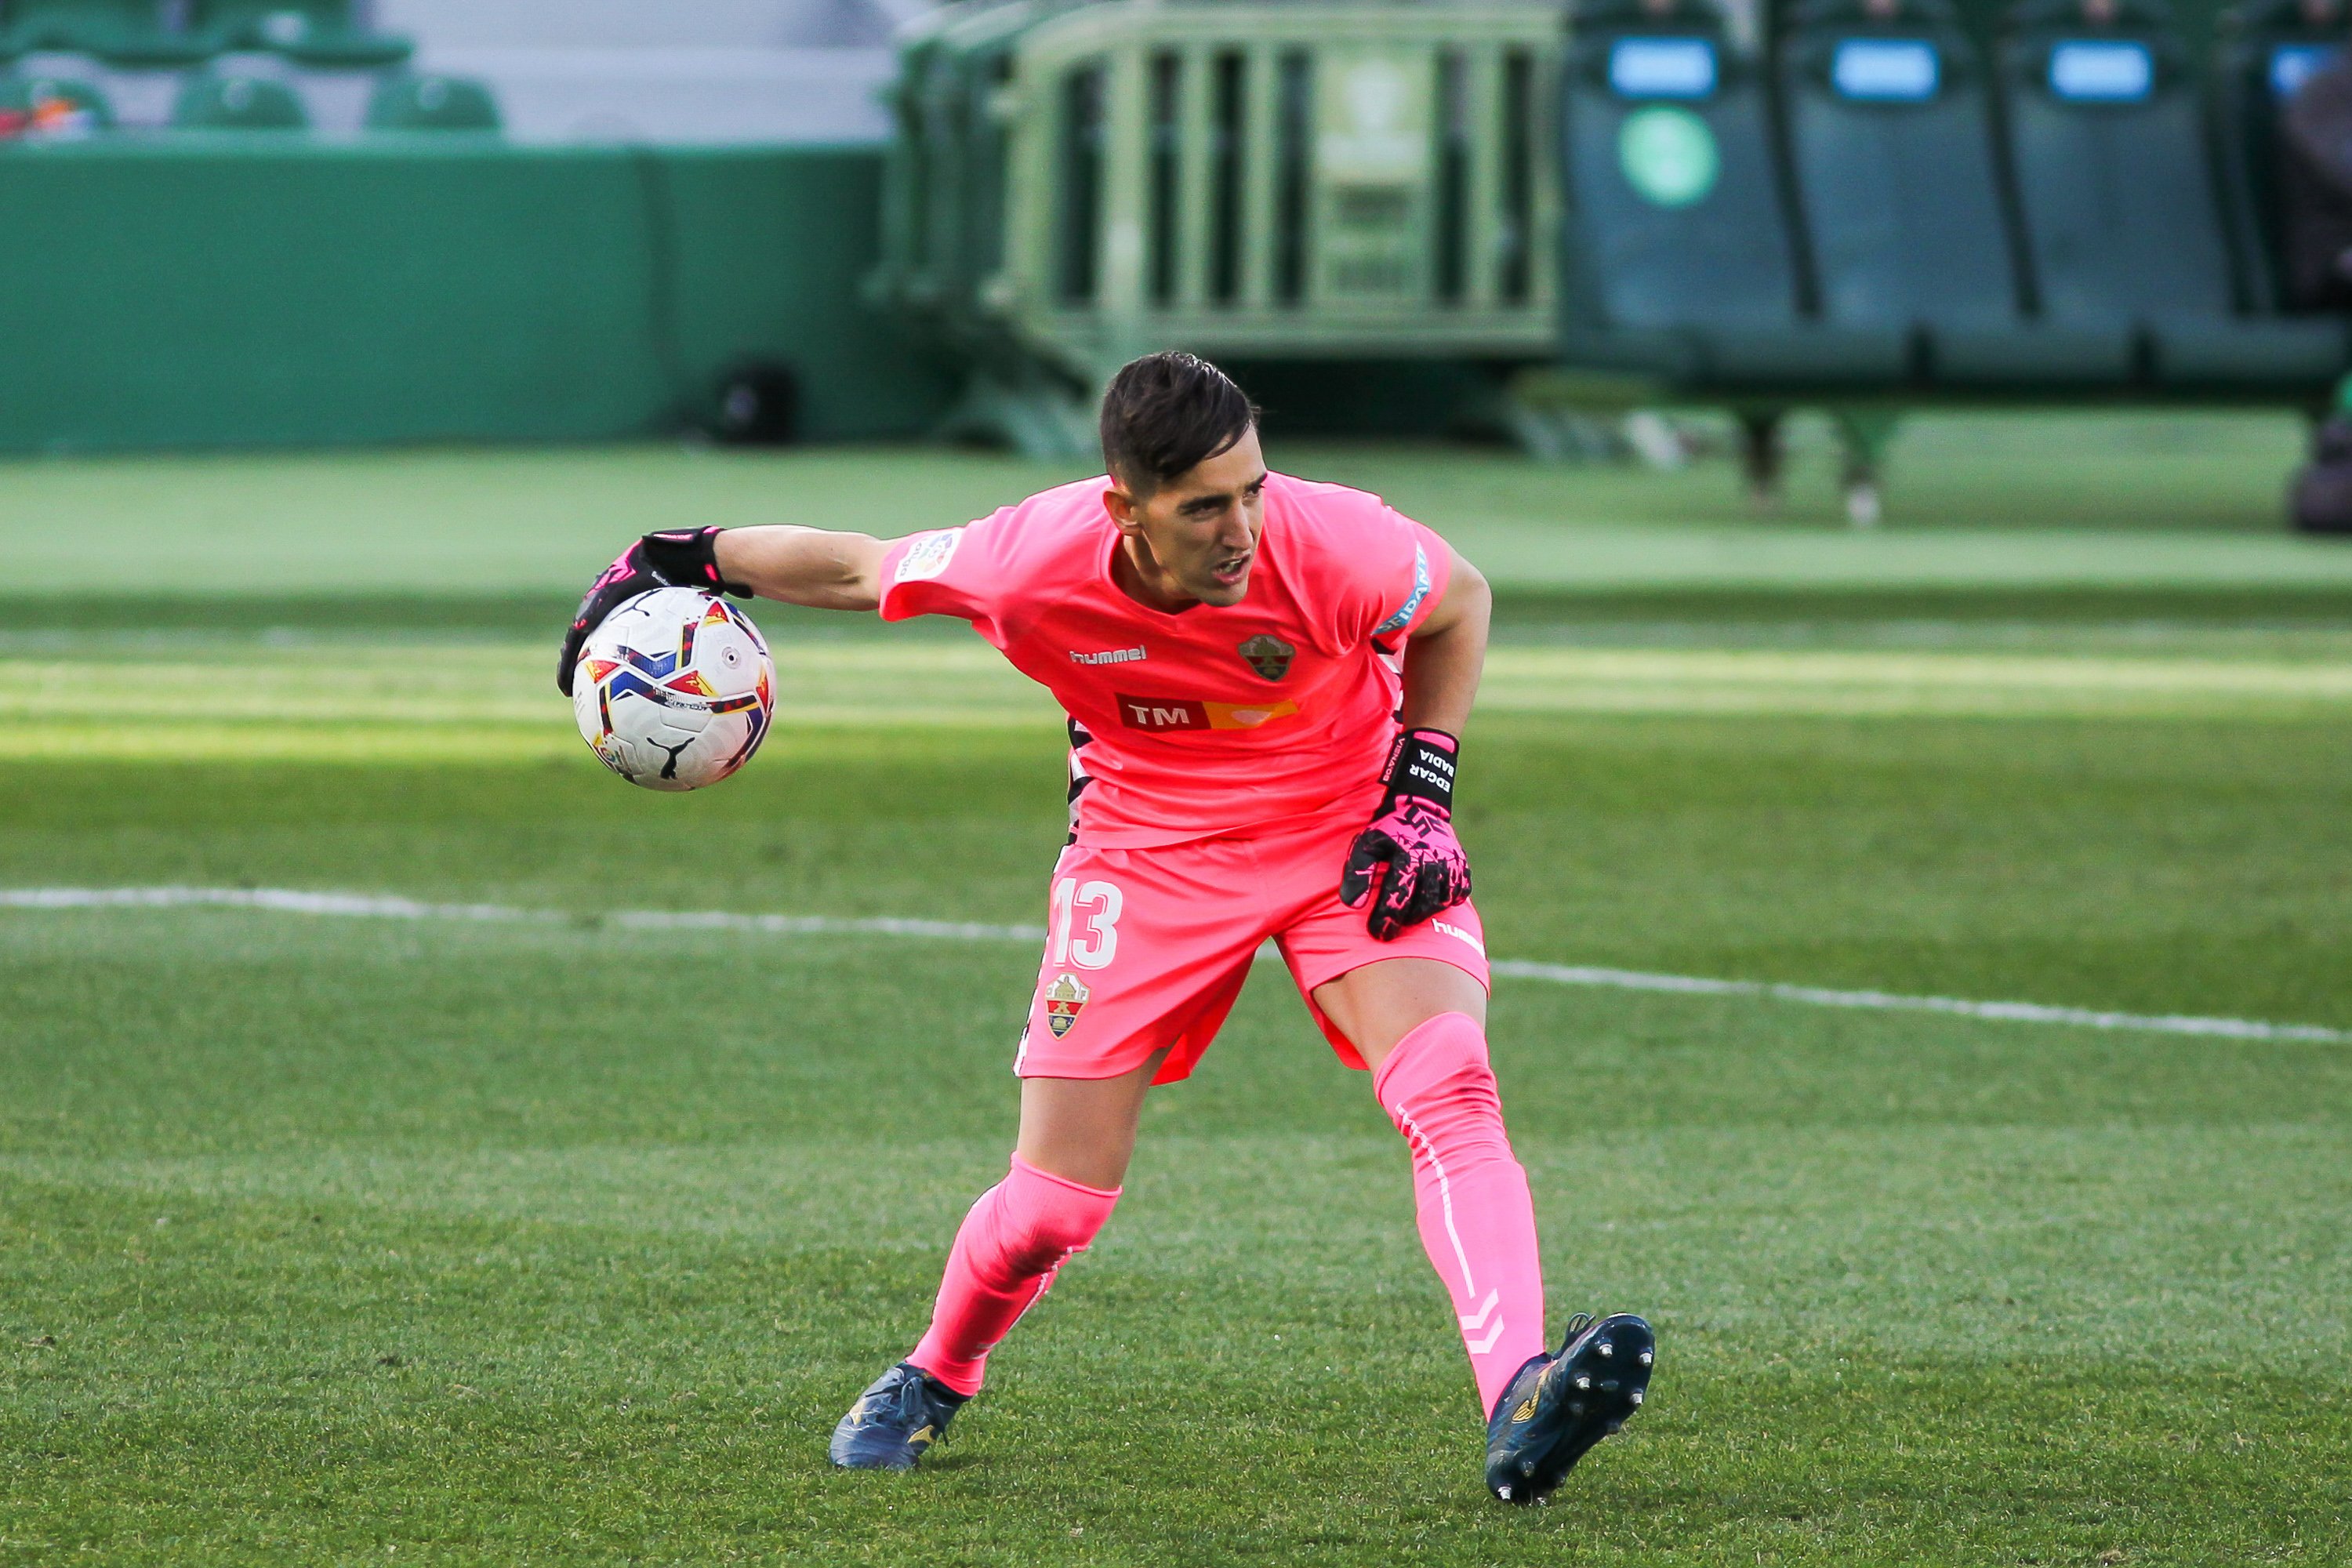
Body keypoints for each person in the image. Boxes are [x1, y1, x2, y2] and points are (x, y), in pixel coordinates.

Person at [556, 351, 1653, 1504]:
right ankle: (933, 1373)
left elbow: (1459, 602)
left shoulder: (1333, 542)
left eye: (1252, 490)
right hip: (1148, 853)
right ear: (1125, 507)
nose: (1242, 530)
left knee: (1450, 1086)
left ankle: (1519, 1397)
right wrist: (673, 556)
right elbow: (858, 569)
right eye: (1205, 507)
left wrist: (1421, 793)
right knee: (1053, 1207)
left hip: (1346, 828)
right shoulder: (1028, 564)